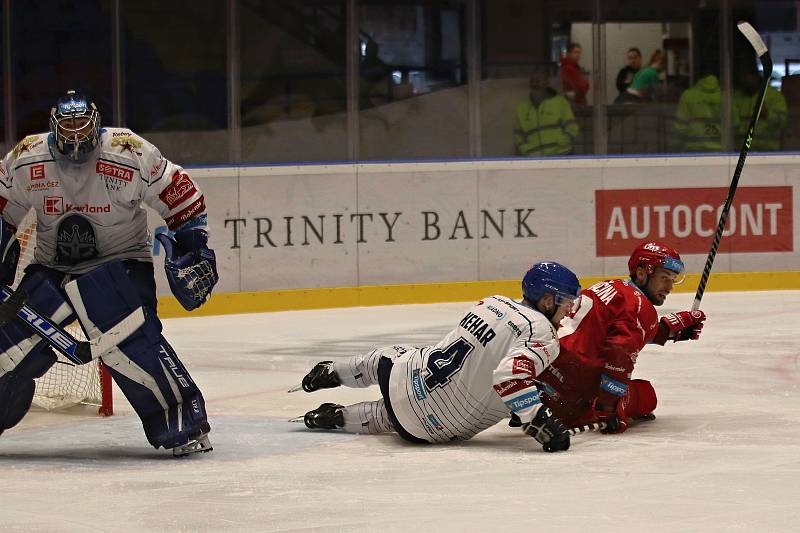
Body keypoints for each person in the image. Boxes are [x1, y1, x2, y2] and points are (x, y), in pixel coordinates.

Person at [0, 90, 219, 456]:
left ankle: (183, 423)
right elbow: (3, 213)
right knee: (12, 348)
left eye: (80, 128)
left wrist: (195, 250)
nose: (73, 139)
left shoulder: (129, 151)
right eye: (65, 130)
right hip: (52, 267)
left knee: (126, 342)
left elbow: (183, 197)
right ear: (53, 129)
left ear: (97, 125)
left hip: (122, 265)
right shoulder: (27, 158)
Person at [294, 262, 581, 452]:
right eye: (566, 302)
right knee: (385, 417)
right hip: (431, 428)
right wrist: (537, 420)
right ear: (546, 299)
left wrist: (524, 401)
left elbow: (485, 358)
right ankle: (336, 418)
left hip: (406, 377)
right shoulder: (542, 332)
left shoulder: (492, 302)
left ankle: (331, 372)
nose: (568, 310)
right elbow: (509, 376)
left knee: (384, 357)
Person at [534, 241, 707, 434]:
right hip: (568, 396)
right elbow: (619, 352)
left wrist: (667, 330)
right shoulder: (641, 306)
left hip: (541, 376)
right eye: (664, 277)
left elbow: (607, 330)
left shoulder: (611, 286)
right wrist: (607, 408)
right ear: (642, 273)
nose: (669, 287)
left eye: (672, 279)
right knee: (646, 395)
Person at [513, 68, 579, 156]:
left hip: (561, 155)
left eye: (539, 81)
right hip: (534, 159)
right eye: (532, 81)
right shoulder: (521, 109)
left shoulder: (560, 102)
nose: (535, 84)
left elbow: (572, 127)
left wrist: (561, 142)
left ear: (547, 83)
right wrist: (526, 149)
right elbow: (518, 135)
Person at [733, 68, 788, 151]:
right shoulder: (735, 97)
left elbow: (783, 122)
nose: (745, 79)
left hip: (768, 152)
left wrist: (768, 115)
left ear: (757, 77)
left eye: (748, 75)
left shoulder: (774, 96)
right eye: (742, 76)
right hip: (741, 152)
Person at [672, 72, 722, 152]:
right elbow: (734, 126)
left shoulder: (688, 96)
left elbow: (680, 127)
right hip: (722, 153)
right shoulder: (725, 96)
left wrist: (674, 149)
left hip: (694, 152)